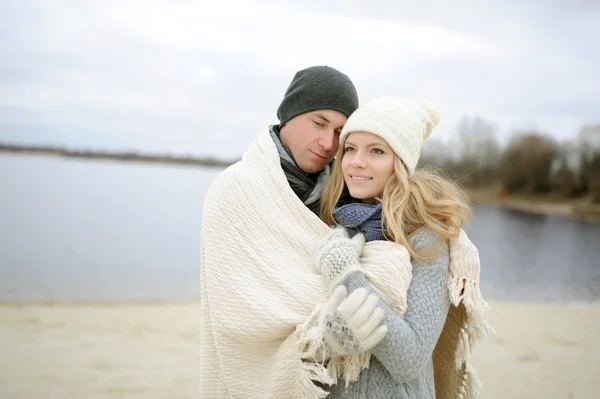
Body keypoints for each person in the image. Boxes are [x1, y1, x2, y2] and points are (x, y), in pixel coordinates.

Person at [200, 66, 367, 398]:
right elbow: (237, 313)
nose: (327, 142)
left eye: (340, 132)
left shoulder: (344, 194)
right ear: (289, 116)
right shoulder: (235, 189)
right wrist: (326, 329)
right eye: (318, 123)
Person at [306, 97, 491, 398]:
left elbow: (410, 359)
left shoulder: (425, 238)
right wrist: (328, 339)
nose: (356, 161)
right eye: (350, 149)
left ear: (401, 163)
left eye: (376, 151)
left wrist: (346, 275)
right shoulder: (333, 226)